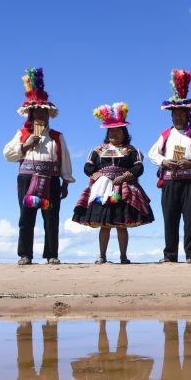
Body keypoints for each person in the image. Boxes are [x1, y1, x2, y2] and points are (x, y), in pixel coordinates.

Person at [3, 68, 75, 265]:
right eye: (37, 112)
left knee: (51, 218)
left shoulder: (57, 136)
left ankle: (52, 254)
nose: (41, 116)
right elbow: (8, 154)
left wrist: (65, 182)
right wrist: (26, 145)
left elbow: (64, 159)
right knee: (26, 217)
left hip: (51, 180)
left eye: (44, 113)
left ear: (49, 115)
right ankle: (25, 254)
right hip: (27, 179)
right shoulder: (22, 134)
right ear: (31, 114)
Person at [71, 102, 154, 264]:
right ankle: (102, 255)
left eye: (117, 130)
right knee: (104, 224)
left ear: (124, 133)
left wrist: (126, 176)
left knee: (121, 223)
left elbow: (139, 168)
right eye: (111, 130)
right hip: (102, 188)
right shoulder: (98, 150)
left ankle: (123, 256)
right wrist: (95, 174)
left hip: (125, 188)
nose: (113, 133)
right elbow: (88, 166)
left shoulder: (132, 150)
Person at [147, 69, 191, 264]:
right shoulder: (165, 134)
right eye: (175, 114)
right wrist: (164, 161)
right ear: (171, 116)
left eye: (182, 114)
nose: (178, 118)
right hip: (170, 182)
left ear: (188, 116)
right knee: (170, 219)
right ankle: (170, 255)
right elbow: (152, 153)